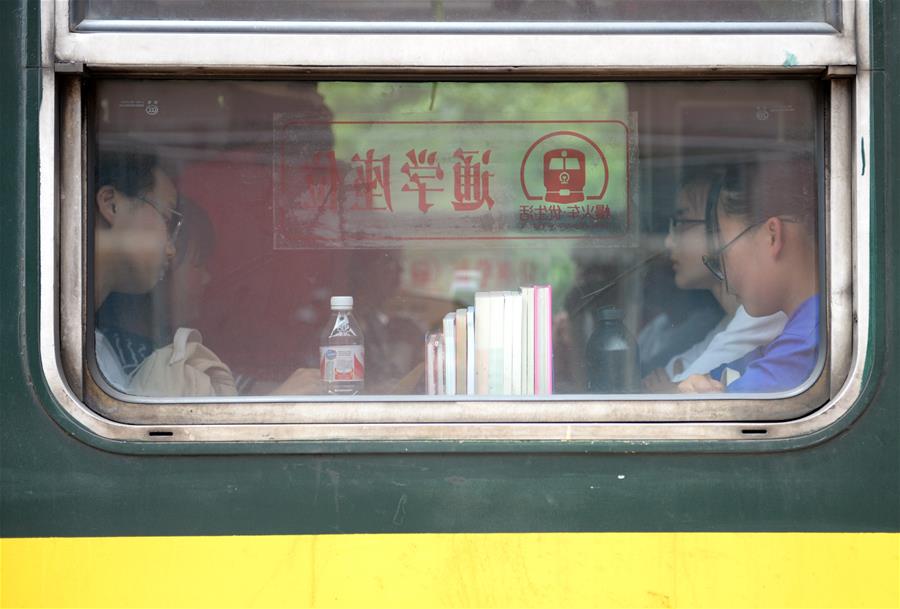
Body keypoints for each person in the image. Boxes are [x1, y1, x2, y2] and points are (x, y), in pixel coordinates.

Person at [93, 146, 318, 395]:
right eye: (167, 219)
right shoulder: (102, 355)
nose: (170, 250)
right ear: (111, 204)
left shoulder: (99, 351)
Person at [678, 157, 820, 393]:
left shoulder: (807, 344)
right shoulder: (802, 333)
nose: (721, 270)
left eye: (722, 249)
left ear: (772, 236)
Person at [642, 173, 787, 392]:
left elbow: (673, 393)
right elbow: (673, 379)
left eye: (681, 223)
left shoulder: (763, 316)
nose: (668, 242)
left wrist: (674, 385)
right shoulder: (726, 323)